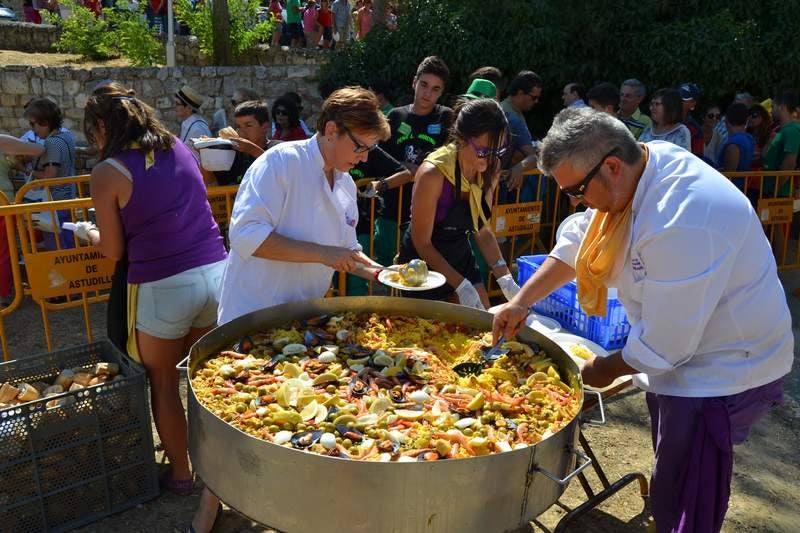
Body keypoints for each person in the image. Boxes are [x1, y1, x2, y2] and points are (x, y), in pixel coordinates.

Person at [493, 107, 792, 533]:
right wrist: (521, 301)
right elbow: (581, 238)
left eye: (576, 190)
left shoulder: (685, 215)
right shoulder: (637, 168)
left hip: (724, 368)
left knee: (690, 490)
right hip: (679, 354)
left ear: (611, 166)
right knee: (671, 463)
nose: (576, 201)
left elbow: (665, 345)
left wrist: (598, 370)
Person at [190, 87, 389, 532]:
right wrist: (324, 254)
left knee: (291, 411)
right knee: (238, 416)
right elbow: (246, 237)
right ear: (331, 130)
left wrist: (377, 272)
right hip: (254, 311)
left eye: (370, 149)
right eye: (360, 146)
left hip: (304, 320)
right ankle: (210, 504)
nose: (364, 157)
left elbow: (346, 247)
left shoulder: (345, 183)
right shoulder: (278, 163)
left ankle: (285, 505)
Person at [79, 83, 227, 499]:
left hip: (163, 285)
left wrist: (88, 232)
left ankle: (182, 473)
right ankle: (220, 468)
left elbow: (113, 249)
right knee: (203, 379)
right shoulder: (178, 146)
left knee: (163, 383)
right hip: (215, 271)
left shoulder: (108, 172)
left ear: (103, 127)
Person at [398, 98, 520, 309]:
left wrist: (506, 280)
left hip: (459, 252)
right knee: (427, 333)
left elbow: (481, 229)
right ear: (462, 139)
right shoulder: (432, 174)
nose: (491, 160)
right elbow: (422, 242)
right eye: (483, 151)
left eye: (497, 151)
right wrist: (461, 286)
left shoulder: (491, 168)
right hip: (423, 261)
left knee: (481, 321)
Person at [376, 55, 454, 267]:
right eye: (424, 85)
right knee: (386, 268)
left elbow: (450, 161)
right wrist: (407, 169)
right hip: (393, 205)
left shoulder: (446, 117)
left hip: (430, 211)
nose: (428, 93)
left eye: (436, 89)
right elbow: (381, 158)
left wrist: (416, 170)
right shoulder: (396, 115)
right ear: (414, 82)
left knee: (422, 271)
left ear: (442, 92)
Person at [23, 98, 78, 250]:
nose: (32, 129)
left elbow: (49, 176)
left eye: (33, 124)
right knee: (69, 246)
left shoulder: (51, 142)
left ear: (45, 122)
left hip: (54, 204)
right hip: (68, 199)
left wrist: (31, 171)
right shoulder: (67, 137)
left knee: (57, 249)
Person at [0, 134, 46, 306]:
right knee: (3, 252)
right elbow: (39, 149)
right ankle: (2, 295)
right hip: (3, 204)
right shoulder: (1, 141)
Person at [203, 100, 272, 186]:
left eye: (248, 125)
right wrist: (205, 156)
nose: (241, 131)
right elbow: (213, 183)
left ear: (265, 127)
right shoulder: (232, 155)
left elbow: (279, 170)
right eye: (238, 126)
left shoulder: (277, 148)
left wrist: (252, 149)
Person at [500, 70, 544, 192]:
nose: (536, 101)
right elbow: (532, 157)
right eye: (534, 97)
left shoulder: (508, 108)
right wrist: (521, 166)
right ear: (520, 93)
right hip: (508, 186)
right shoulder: (512, 117)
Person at [174, 85, 211, 160]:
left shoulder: (198, 129)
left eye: (177, 104)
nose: (174, 106)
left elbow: (200, 159)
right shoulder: (187, 123)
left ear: (189, 108)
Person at [717, 102, 754, 173]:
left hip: (734, 183)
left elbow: (730, 172)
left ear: (726, 120)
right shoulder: (749, 138)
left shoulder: (733, 143)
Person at [679, 83, 705, 157]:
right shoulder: (662, 121)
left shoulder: (695, 130)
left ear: (693, 103)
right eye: (677, 98)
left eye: (683, 100)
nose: (678, 102)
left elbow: (697, 160)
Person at [746, 103, 773, 169]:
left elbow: (764, 159)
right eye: (748, 115)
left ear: (764, 118)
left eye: (754, 115)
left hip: (760, 176)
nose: (749, 118)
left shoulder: (770, 136)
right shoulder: (745, 135)